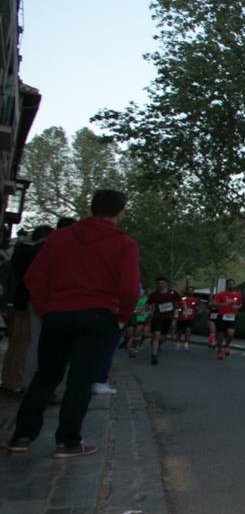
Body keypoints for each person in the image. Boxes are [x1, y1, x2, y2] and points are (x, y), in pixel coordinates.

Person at [5, 190, 139, 458]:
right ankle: (67, 441)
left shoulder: (60, 238)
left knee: (46, 376)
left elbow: (34, 277)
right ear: (121, 213)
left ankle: (21, 435)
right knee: (81, 380)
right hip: (99, 316)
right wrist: (122, 318)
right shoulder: (124, 244)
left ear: (91, 209)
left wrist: (46, 308)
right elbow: (129, 288)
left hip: (58, 313)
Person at [1, 225, 52, 396]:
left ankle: (10, 380)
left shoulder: (20, 254)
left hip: (19, 302)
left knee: (17, 343)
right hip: (28, 303)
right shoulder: (34, 254)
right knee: (25, 344)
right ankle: (16, 382)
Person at [145, 276, 180, 366]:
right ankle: (154, 355)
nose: (160, 285)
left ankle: (159, 343)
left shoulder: (172, 293)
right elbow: (147, 304)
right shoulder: (153, 295)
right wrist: (147, 309)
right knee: (156, 335)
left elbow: (180, 300)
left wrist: (184, 308)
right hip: (157, 317)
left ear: (166, 284)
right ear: (156, 284)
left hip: (168, 318)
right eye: (158, 284)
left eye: (162, 283)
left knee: (162, 337)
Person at [210, 279, 243, 361]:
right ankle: (220, 350)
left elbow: (240, 304)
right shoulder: (221, 294)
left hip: (232, 317)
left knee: (231, 334)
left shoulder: (238, 295)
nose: (231, 285)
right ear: (226, 285)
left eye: (232, 284)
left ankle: (227, 345)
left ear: (234, 285)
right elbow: (214, 303)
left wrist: (237, 307)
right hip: (222, 316)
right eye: (229, 284)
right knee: (220, 336)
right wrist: (222, 304)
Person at [176, 281, 200, 351]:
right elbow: (177, 306)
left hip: (190, 317)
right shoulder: (183, 298)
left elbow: (196, 308)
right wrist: (181, 308)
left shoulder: (195, 299)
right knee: (180, 331)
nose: (190, 292)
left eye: (191, 291)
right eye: (189, 290)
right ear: (186, 291)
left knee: (188, 330)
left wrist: (196, 309)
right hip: (182, 317)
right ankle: (178, 341)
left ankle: (186, 343)